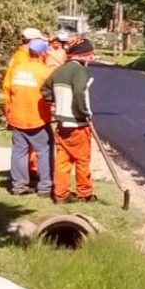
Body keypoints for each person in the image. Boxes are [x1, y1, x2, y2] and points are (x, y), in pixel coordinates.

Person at [42, 38, 96, 204]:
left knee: (63, 160)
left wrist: (56, 103)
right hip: (78, 124)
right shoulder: (79, 71)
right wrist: (84, 112)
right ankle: (84, 193)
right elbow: (80, 93)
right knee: (82, 160)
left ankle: (61, 194)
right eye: (90, 55)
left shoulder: (59, 71)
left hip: (62, 124)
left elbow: (44, 89)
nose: (91, 59)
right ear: (82, 55)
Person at [5, 39, 53, 196]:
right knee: (43, 152)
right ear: (42, 53)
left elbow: (9, 91)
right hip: (37, 119)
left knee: (19, 152)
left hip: (17, 117)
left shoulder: (18, 69)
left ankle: (19, 186)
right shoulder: (45, 72)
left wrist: (8, 113)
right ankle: (45, 188)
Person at [2, 27, 44, 182]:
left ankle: (26, 175)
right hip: (26, 108)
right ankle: (27, 176)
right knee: (27, 147)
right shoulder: (23, 59)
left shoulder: (20, 55)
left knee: (23, 148)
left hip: (18, 107)